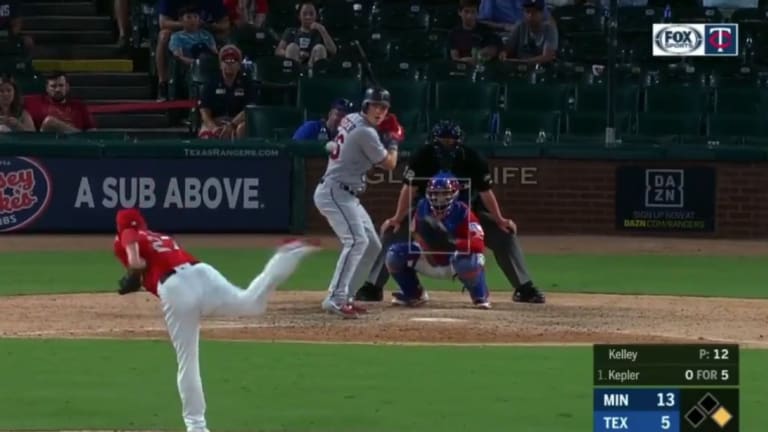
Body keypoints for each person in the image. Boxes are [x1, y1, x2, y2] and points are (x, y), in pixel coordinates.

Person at [112, 208, 319, 432]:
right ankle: (287, 255)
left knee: (188, 360)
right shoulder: (160, 236)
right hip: (201, 272)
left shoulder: (124, 236)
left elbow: (134, 256)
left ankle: (196, 427)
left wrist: (133, 272)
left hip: (175, 287)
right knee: (250, 303)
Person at [355, 120, 545, 304]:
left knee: (505, 235)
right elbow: (409, 189)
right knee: (392, 233)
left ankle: (524, 287)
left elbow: (486, 192)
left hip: (466, 214)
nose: (447, 145)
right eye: (443, 140)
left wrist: (500, 219)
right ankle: (373, 286)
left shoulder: (472, 158)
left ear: (459, 141)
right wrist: (397, 218)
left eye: (451, 141)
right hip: (425, 215)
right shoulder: (422, 156)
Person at [313, 87, 403, 319]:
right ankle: (335, 298)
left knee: (372, 245)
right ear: (365, 106)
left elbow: (350, 136)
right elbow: (390, 164)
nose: (379, 111)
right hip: (335, 192)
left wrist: (381, 130)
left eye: (383, 108)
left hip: (347, 194)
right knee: (355, 241)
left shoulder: (351, 118)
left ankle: (346, 296)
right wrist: (393, 139)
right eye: (375, 106)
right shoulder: (366, 133)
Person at [386, 172, 491, 309]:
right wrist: (429, 249)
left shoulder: (463, 212)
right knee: (394, 254)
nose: (439, 198)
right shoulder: (422, 207)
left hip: (455, 260)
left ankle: (479, 294)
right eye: (435, 193)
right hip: (430, 257)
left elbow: (479, 245)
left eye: (444, 193)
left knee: (469, 261)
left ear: (454, 193)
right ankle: (414, 293)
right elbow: (415, 232)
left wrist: (453, 243)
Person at [156, 0, 229, 101]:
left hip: (205, 31)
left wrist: (208, 26)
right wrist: (188, 23)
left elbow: (225, 24)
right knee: (163, 35)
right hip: (178, 32)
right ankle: (163, 83)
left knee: (225, 37)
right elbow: (163, 23)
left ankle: (225, 82)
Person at [198, 45, 253, 140]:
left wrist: (232, 125)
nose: (229, 64)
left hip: (237, 122)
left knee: (242, 129)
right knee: (206, 135)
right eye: (226, 61)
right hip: (216, 121)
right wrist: (213, 128)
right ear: (220, 65)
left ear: (239, 66)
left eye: (233, 61)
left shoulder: (247, 83)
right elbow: (204, 110)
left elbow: (248, 109)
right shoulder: (211, 82)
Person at [25, 71, 96, 133]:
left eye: (61, 85)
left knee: (50, 122)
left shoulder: (79, 106)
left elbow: (92, 131)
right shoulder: (35, 102)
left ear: (67, 87)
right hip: (48, 142)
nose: (57, 90)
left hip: (74, 142)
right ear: (47, 88)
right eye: (53, 86)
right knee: (49, 122)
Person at [275, 1, 337, 66]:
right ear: (299, 16)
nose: (308, 17)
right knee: (292, 47)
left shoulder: (320, 32)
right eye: (304, 14)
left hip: (313, 64)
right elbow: (278, 51)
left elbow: (333, 51)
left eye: (311, 14)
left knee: (320, 48)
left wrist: (322, 30)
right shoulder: (291, 31)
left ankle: (318, 71)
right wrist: (297, 53)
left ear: (316, 16)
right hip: (295, 63)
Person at [499, 0, 558, 65]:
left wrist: (522, 62)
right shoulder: (520, 26)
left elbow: (547, 56)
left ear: (542, 13)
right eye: (527, 12)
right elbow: (508, 48)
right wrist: (503, 54)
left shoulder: (550, 29)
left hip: (540, 67)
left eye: (534, 12)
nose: (530, 15)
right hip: (518, 66)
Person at [449, 0, 501, 65]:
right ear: (459, 12)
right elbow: (455, 58)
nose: (469, 16)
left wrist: (482, 55)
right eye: (466, 11)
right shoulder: (454, 33)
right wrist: (465, 61)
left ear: (478, 13)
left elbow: (493, 50)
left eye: (473, 12)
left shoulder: (487, 31)